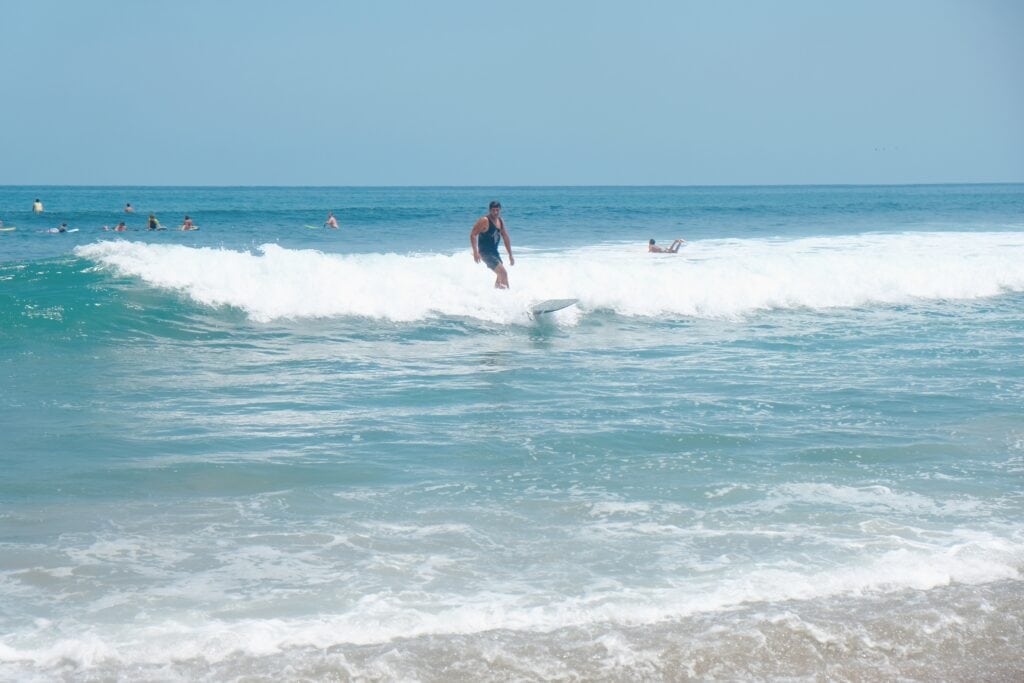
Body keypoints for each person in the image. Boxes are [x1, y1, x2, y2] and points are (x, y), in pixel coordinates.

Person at [470, 200, 514, 289]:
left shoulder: (500, 221)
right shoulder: (484, 220)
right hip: (485, 252)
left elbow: (505, 237)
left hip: (494, 252)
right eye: (493, 210)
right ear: (490, 210)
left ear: (500, 210)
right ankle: (508, 297)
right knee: (503, 273)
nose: (495, 212)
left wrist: (510, 254)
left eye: (497, 210)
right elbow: (473, 234)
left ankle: (495, 295)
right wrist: (475, 252)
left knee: (500, 274)